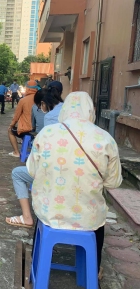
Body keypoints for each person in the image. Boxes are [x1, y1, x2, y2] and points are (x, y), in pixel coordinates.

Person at [29, 92, 122, 276]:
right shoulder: (105, 139)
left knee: (42, 214)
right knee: (98, 225)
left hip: (50, 212)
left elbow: (32, 171)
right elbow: (113, 182)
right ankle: (92, 271)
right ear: (91, 110)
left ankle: (37, 265)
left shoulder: (46, 134)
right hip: (88, 217)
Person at [7, 80, 38, 157]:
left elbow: (16, 116)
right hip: (39, 129)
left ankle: (16, 152)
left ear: (27, 88)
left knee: (10, 131)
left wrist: (11, 125)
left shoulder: (23, 100)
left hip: (27, 129)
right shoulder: (41, 99)